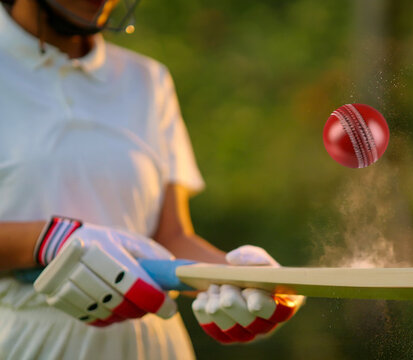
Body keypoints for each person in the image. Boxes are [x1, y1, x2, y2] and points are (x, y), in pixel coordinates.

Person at [0, 0, 302, 358]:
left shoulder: (147, 79)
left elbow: (170, 238)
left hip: (155, 342)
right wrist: (49, 240)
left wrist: (245, 280)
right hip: (32, 341)